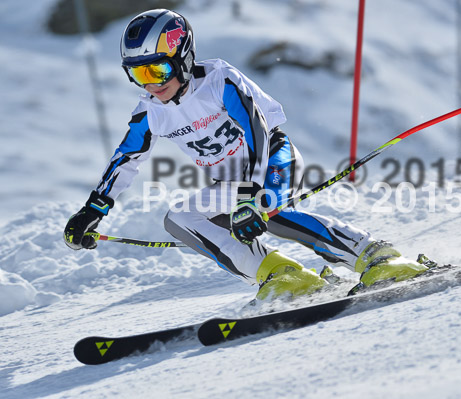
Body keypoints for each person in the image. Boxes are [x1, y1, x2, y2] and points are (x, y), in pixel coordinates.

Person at [63, 9, 432, 301]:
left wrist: (250, 196)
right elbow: (126, 158)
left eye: (157, 69)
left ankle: (376, 256)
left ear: (183, 58)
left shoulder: (218, 80)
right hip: (232, 183)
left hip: (272, 159)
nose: (152, 84)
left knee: (270, 212)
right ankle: (280, 273)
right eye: (139, 74)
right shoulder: (151, 112)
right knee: (180, 218)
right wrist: (94, 208)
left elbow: (256, 130)